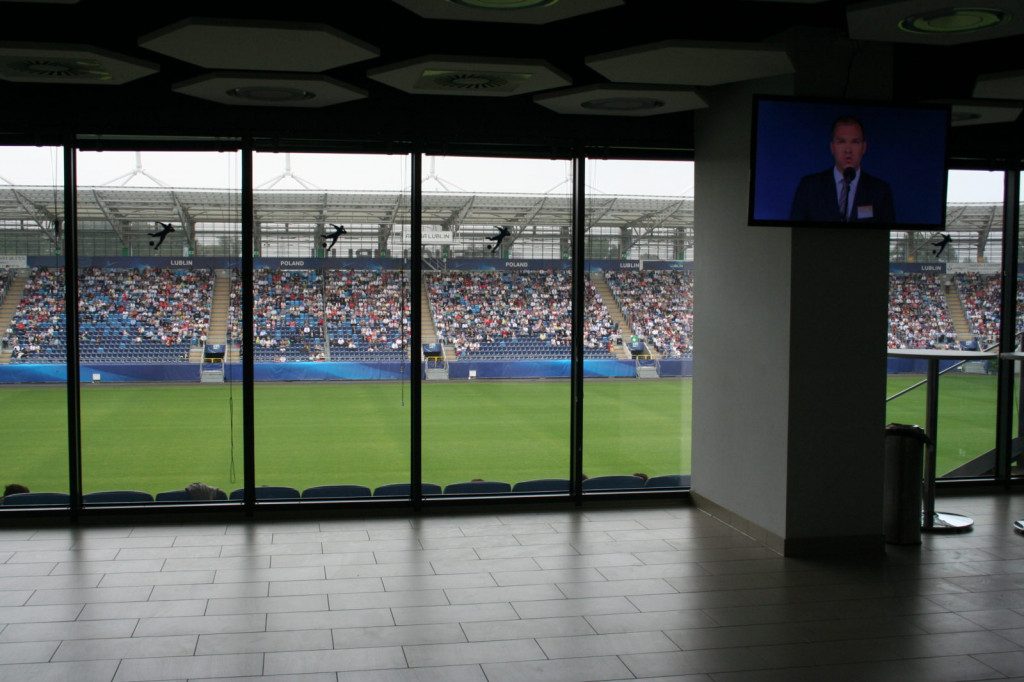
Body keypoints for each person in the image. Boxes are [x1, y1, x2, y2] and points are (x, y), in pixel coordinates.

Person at [789, 115, 894, 224]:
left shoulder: (880, 190)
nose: (848, 150)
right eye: (841, 141)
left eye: (855, 142)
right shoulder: (809, 187)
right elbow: (795, 231)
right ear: (832, 147)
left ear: (864, 147)